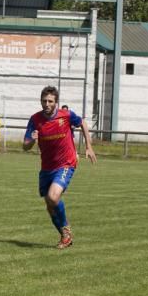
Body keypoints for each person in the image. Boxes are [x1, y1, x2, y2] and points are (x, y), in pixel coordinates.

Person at [23, 86, 97, 249]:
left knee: (53, 197)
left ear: (56, 103)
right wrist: (32, 140)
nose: (47, 104)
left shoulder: (66, 115)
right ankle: (65, 235)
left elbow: (83, 123)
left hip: (66, 163)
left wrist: (89, 147)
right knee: (50, 206)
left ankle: (66, 231)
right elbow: (25, 146)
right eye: (44, 101)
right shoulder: (35, 120)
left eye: (50, 101)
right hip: (47, 168)